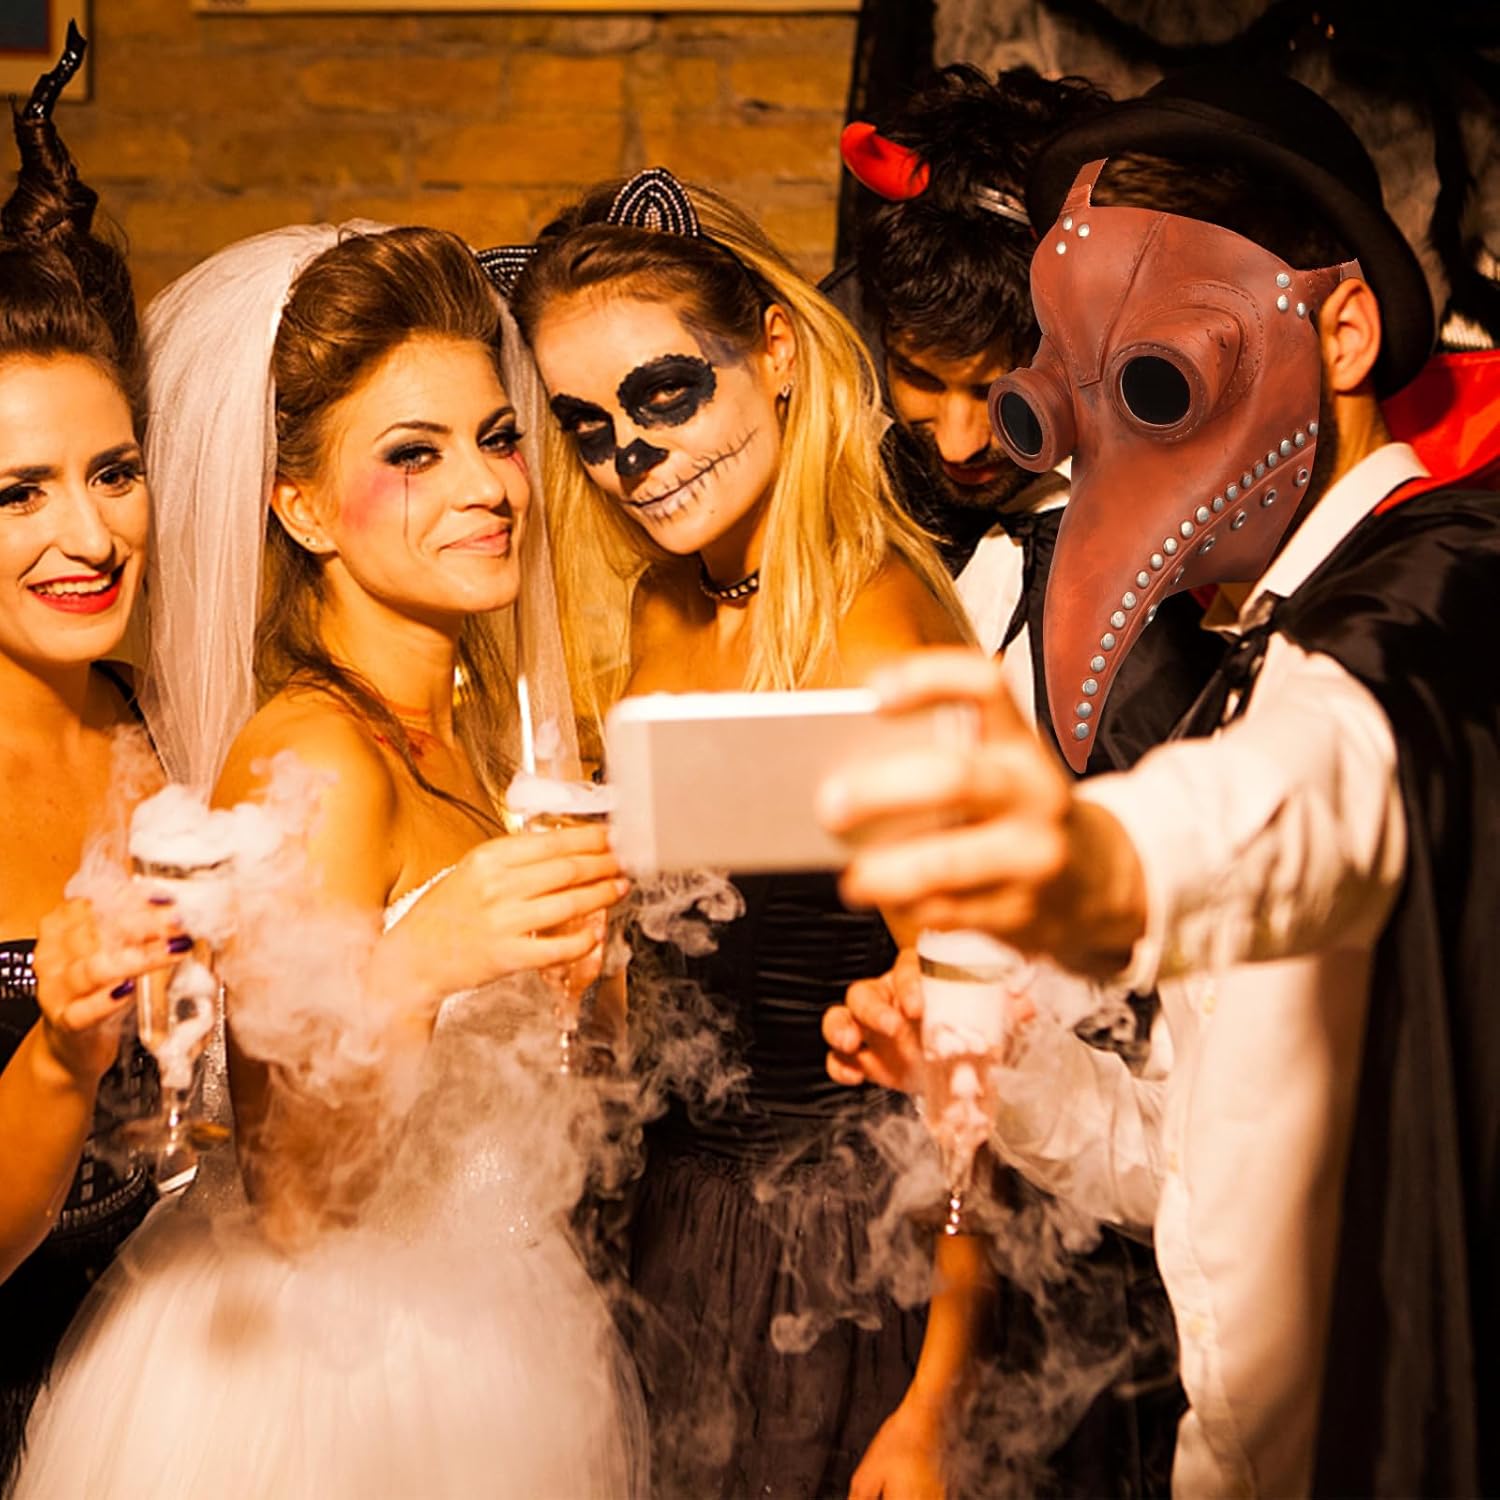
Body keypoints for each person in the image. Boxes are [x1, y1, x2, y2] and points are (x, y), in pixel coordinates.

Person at [821, 66, 1500, 1498]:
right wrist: (993, 1060)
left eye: (1160, 377)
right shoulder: (1248, 647)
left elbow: (1319, 786)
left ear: (1342, 330)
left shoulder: (1444, 595)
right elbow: (1192, 1166)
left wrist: (1102, 864)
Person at [16, 220, 646, 1497]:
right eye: (412, 454)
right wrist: (427, 957)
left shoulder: (472, 736)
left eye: (497, 437)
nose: (487, 487)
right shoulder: (316, 758)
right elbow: (295, 1196)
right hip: (339, 1379)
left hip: (501, 1320)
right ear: (299, 506)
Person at [509, 168, 982, 1498]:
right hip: (672, 1226)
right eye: (589, 425)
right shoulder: (666, 606)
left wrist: (938, 1399)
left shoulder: (879, 630)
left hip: (839, 1264)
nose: (632, 456)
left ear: (775, 351)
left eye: (666, 393)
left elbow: (979, 1041)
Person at [833, 64, 1222, 772]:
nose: (959, 444)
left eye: (998, 392)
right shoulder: (826, 470)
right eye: (920, 378)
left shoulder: (1209, 528)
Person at [0, 32, 186, 1493]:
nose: (89, 535)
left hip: (177, 1396)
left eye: (112, 473)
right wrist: (63, 1052)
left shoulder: (173, 729)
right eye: (18, 492)